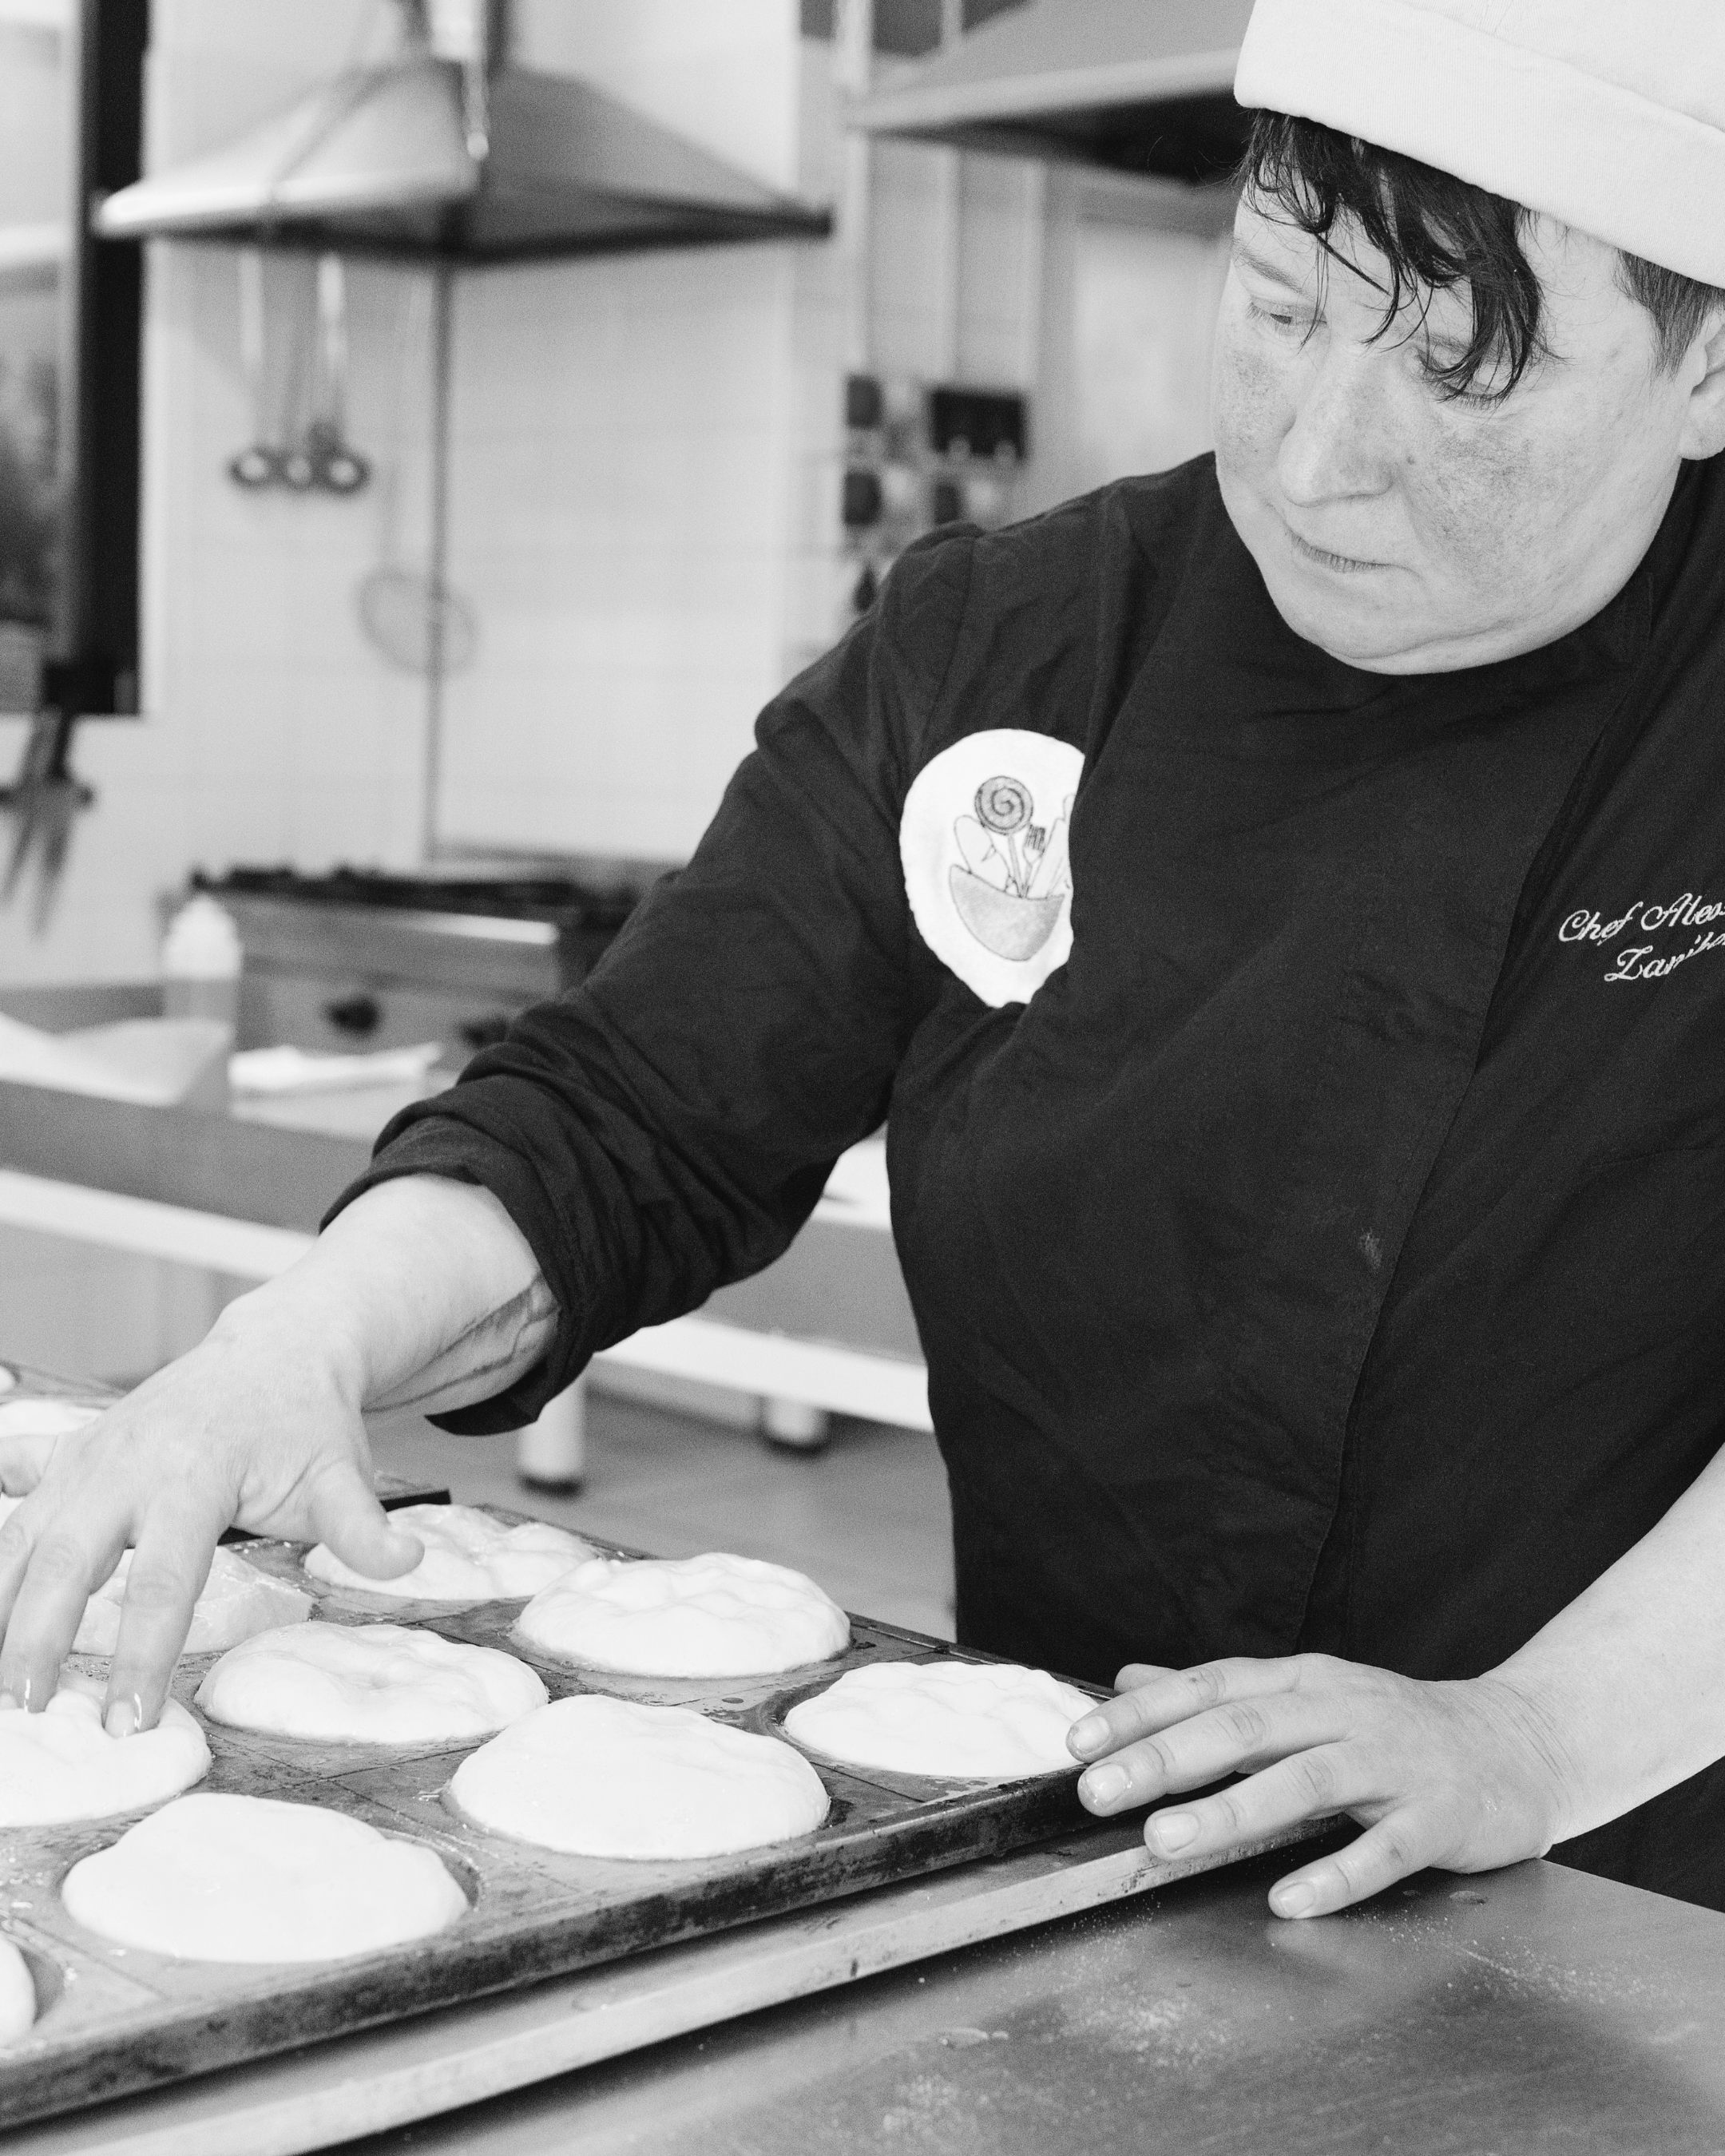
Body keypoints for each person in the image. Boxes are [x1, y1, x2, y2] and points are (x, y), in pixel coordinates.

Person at [4, 0, 1725, 1921]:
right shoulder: (1014, 647)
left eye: (1463, 373)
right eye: (1277, 307)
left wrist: (1533, 1738)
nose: (1320, 460)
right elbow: (633, 1121)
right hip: (1074, 1842)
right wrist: (298, 1342)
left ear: (1709, 362)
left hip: (1639, 1889)